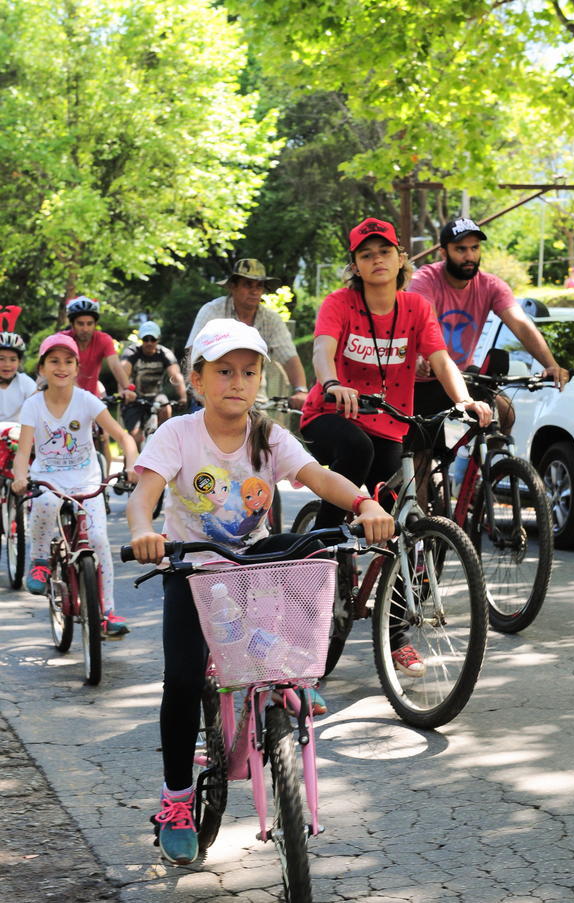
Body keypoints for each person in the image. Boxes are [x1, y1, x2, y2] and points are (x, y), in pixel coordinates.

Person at [126, 318, 394, 865]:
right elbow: (144, 493)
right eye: (224, 371)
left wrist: (364, 503)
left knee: (304, 562)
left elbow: (319, 477)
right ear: (197, 379)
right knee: (183, 679)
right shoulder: (178, 434)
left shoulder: (268, 435)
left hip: (250, 565)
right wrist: (142, 533)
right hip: (191, 567)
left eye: (249, 372)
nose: (238, 382)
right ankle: (176, 800)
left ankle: (284, 683)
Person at [299, 217, 492, 677]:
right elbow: (322, 349)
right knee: (358, 453)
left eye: (384, 251)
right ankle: (321, 550)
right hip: (331, 414)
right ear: (355, 266)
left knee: (400, 527)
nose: (377, 260)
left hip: (390, 423)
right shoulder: (340, 303)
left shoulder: (415, 307)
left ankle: (398, 634)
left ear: (400, 258)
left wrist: (463, 400)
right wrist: (332, 383)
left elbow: (440, 358)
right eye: (366, 255)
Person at [407, 217, 569, 495]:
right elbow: (425, 322)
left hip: (458, 379)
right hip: (419, 382)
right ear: (443, 252)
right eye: (461, 249)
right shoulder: (425, 280)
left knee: (503, 413)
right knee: (421, 458)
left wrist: (551, 364)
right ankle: (420, 522)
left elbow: (521, 324)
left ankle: (477, 484)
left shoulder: (491, 285)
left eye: (474, 248)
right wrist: (424, 356)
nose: (469, 256)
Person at [12, 335, 138, 636]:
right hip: (49, 479)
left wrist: (132, 464)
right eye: (54, 361)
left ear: (77, 368)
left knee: (98, 539)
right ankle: (40, 560)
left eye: (69, 361)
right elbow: (23, 452)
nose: (62, 367)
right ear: (42, 368)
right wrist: (19, 477)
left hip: (86, 480)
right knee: (44, 502)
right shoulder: (33, 405)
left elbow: (123, 437)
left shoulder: (87, 401)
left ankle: (106, 612)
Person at [185, 259, 309, 410]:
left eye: (259, 285)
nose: (254, 291)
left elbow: (289, 357)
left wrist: (301, 390)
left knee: (263, 424)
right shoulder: (212, 311)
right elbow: (193, 354)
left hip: (254, 400)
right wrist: (200, 393)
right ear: (233, 286)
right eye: (248, 284)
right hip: (210, 396)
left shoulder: (272, 319)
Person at [63, 296, 137, 469]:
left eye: (90, 323)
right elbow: (65, 374)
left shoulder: (103, 339)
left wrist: (127, 388)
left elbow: (116, 366)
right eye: (80, 324)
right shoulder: (64, 340)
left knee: (103, 437)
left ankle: (104, 482)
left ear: (95, 324)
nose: (85, 328)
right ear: (72, 324)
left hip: (93, 395)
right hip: (67, 397)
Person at [120, 321, 187, 450]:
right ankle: (133, 458)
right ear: (141, 339)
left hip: (156, 396)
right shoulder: (132, 352)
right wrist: (125, 392)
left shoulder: (165, 353)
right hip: (134, 397)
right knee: (136, 437)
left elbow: (175, 376)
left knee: (166, 408)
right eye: (146, 339)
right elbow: (123, 374)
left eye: (153, 339)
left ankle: (161, 439)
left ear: (158, 339)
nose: (149, 342)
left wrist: (183, 397)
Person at [0, 332, 36, 422]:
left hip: (16, 429)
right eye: (1, 359)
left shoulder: (25, 382)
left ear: (19, 362)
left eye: (13, 359)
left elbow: (39, 404)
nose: (7, 364)